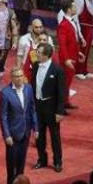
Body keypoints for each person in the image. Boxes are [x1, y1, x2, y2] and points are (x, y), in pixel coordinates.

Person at [31, 43, 67, 173]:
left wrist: (60, 111)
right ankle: (42, 159)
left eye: (39, 52)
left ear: (47, 54)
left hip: (51, 108)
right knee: (39, 135)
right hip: (38, 106)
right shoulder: (35, 66)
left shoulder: (57, 70)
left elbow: (62, 92)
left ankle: (57, 162)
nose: (37, 53)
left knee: (55, 136)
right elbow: (32, 85)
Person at [0, 68, 38, 184]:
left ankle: (20, 183)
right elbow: (3, 116)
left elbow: (32, 109)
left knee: (22, 159)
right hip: (12, 133)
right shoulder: (5, 93)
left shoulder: (29, 88)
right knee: (11, 161)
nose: (19, 78)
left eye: (21, 75)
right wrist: (7, 135)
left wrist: (36, 128)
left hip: (25, 131)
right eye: (16, 76)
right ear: (12, 78)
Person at [57, 0, 83, 109]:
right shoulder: (63, 25)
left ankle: (65, 102)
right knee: (64, 82)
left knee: (68, 81)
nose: (75, 8)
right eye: (73, 6)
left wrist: (78, 52)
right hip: (67, 59)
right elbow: (62, 44)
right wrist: (67, 59)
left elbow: (73, 40)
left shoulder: (70, 22)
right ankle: (61, 105)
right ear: (68, 9)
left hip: (72, 56)